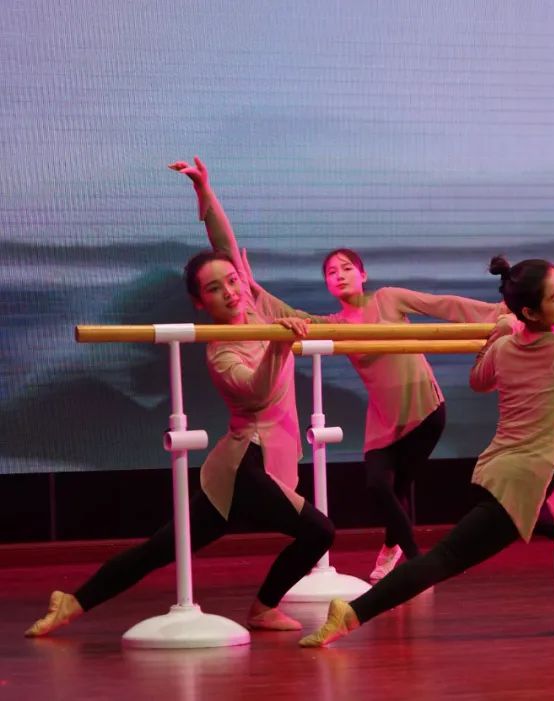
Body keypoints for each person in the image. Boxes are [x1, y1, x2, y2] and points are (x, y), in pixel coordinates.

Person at [297, 226, 554, 646]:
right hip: (525, 479)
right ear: (530, 311)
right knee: (446, 558)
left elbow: (479, 379)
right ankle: (351, 613)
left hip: (505, 471)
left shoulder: (508, 346)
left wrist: (500, 333)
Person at [25, 158, 337, 638]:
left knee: (163, 548)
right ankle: (262, 608)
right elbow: (257, 393)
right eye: (214, 288)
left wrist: (204, 192)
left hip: (262, 460)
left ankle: (73, 601)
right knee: (319, 531)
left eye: (232, 281)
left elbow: (224, 244)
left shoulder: (257, 306)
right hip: (244, 467)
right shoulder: (219, 351)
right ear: (199, 302)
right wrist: (279, 342)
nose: (230, 291)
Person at [320, 249, 505, 581]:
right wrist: (253, 292)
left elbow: (440, 305)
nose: (340, 275)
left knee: (397, 487)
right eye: (332, 273)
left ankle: (412, 563)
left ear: (363, 275)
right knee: (380, 486)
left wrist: (497, 312)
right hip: (383, 417)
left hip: (424, 408)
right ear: (327, 284)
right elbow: (291, 316)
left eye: (346, 268)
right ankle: (407, 556)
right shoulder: (334, 324)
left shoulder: (387, 298)